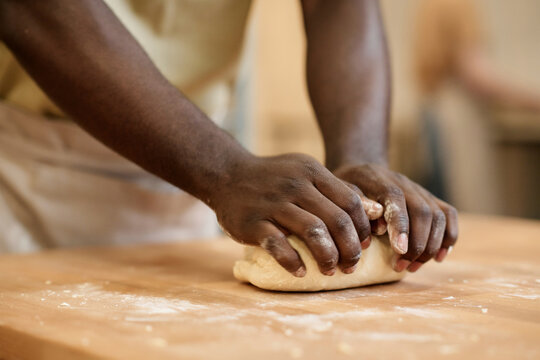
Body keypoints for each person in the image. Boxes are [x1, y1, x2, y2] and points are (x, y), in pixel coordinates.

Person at [0, 0, 457, 277]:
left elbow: (339, 6)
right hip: (27, 172)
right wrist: (222, 169)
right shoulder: (220, 172)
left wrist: (359, 160)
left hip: (191, 177)